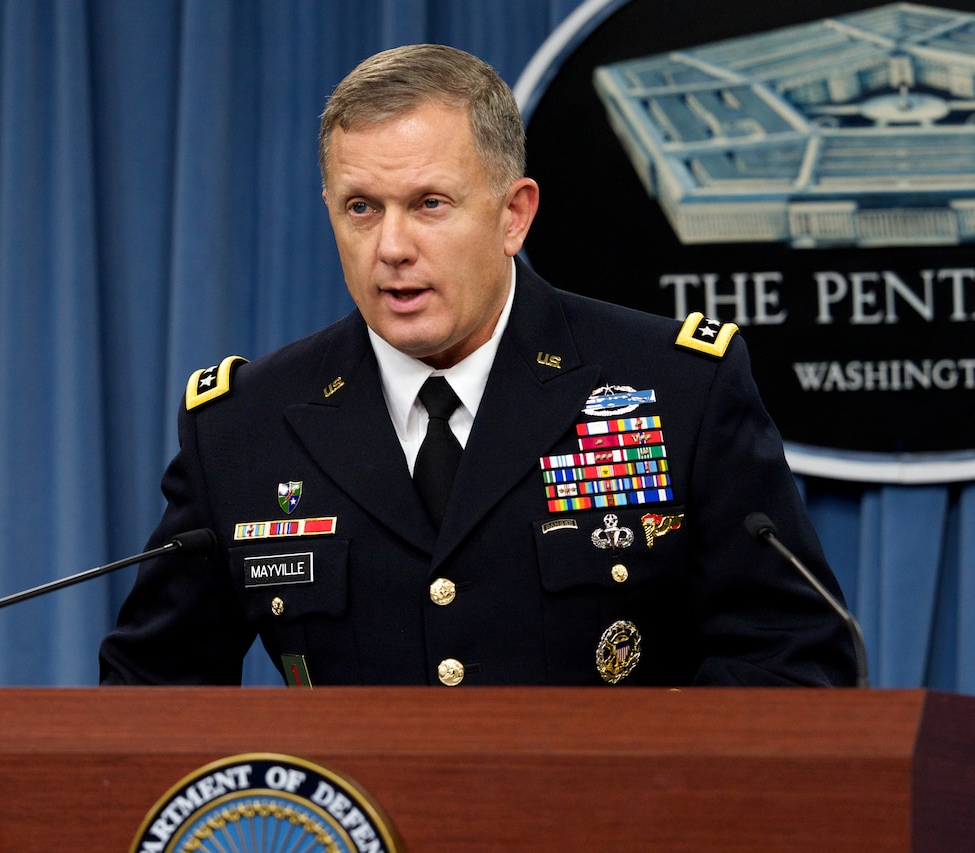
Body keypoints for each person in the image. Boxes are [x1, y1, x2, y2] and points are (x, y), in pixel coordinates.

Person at [99, 44, 857, 687]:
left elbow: (792, 660)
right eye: (361, 207)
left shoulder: (679, 388)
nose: (391, 247)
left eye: (429, 203)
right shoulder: (244, 426)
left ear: (513, 215)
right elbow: (149, 698)